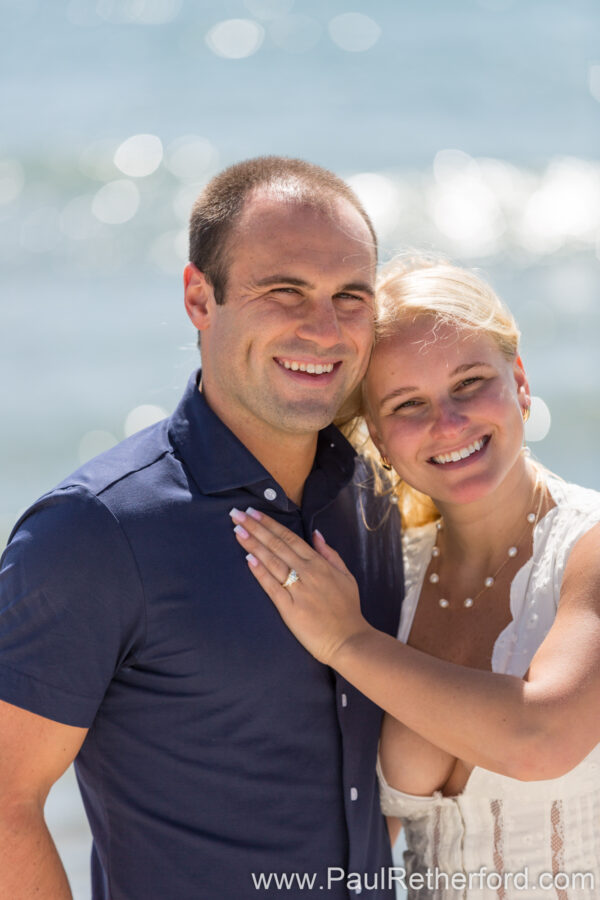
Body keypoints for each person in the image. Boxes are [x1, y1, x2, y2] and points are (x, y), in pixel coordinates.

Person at [0, 157, 403, 900]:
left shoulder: (374, 500)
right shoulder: (97, 532)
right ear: (199, 298)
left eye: (351, 296)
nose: (324, 328)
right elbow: (5, 801)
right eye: (284, 291)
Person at [230, 256, 600, 899]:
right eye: (408, 404)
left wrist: (347, 643)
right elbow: (359, 841)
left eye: (469, 382)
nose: (448, 423)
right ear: (377, 432)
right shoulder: (388, 575)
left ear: (519, 380)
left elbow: (543, 738)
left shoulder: (585, 549)